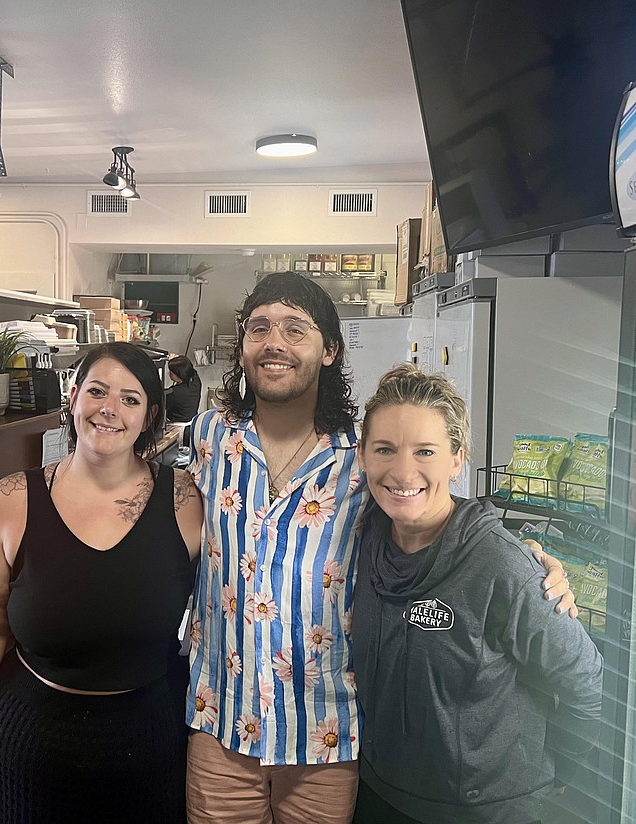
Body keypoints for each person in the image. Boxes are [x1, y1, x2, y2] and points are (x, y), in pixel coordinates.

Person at [183, 271, 576, 823]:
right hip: (221, 724)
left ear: (330, 350)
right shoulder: (209, 437)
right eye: (260, 327)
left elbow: (437, 514)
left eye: (296, 328)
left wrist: (528, 558)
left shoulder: (362, 460)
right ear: (243, 345)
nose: (275, 341)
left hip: (324, 737)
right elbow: (135, 473)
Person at [0, 341, 203, 823]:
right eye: (98, 391)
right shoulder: (11, 501)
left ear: (150, 417)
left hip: (151, 749)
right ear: (73, 397)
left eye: (130, 399)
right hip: (30, 751)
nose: (110, 410)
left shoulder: (186, 501)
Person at [351, 364, 603, 823]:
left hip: (487, 809)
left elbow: (583, 677)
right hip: (379, 794)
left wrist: (557, 774)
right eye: (384, 449)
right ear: (363, 456)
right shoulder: (365, 534)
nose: (403, 470)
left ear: (456, 458)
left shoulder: (501, 565)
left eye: (425, 451)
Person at [166, 355, 202, 423]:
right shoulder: (195, 382)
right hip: (192, 423)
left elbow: (162, 407)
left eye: (171, 373)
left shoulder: (174, 393)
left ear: (179, 374)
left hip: (177, 425)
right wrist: (176, 361)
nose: (168, 373)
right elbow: (189, 368)